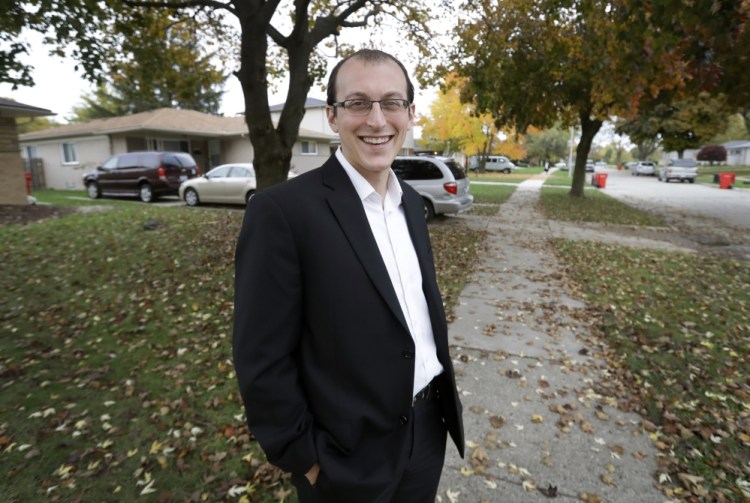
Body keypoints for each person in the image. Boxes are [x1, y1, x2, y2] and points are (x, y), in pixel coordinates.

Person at [232, 49, 464, 502]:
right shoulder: (283, 212)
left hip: (428, 432)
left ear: (411, 114)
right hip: (344, 458)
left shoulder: (413, 205)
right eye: (358, 103)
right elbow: (261, 358)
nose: (377, 120)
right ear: (333, 116)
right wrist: (307, 460)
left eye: (392, 103)